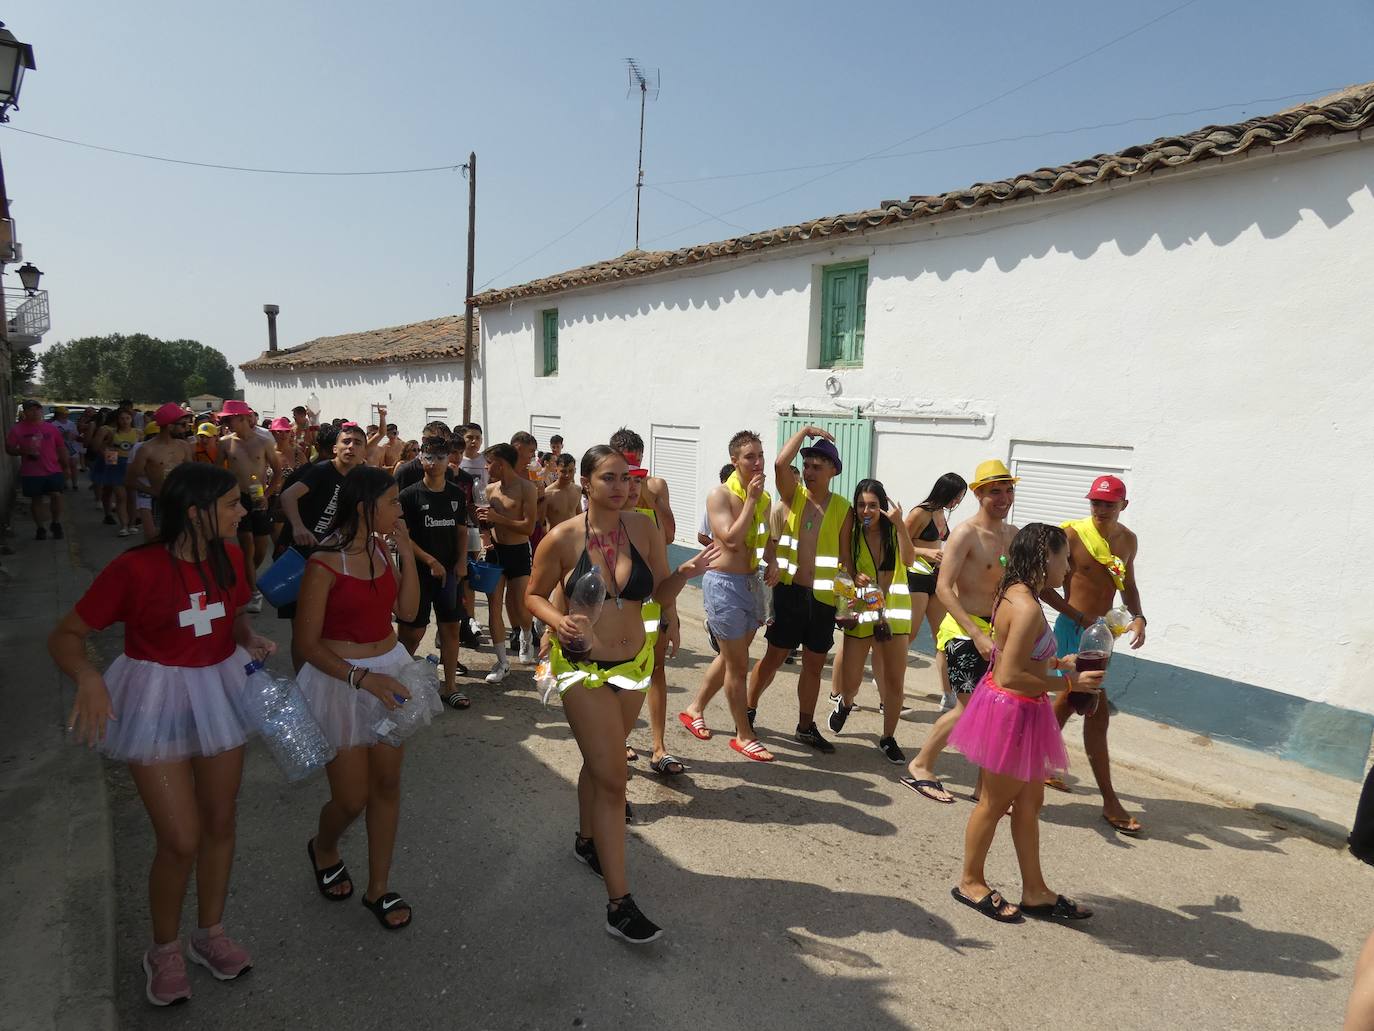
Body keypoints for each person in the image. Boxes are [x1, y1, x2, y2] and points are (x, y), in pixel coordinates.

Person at [48, 463, 275, 1005]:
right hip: (155, 697)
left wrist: (247, 638)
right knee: (180, 838)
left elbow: (230, 615)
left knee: (221, 820)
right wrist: (87, 677)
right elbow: (67, 635)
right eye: (230, 504)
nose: (242, 512)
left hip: (218, 689)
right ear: (196, 513)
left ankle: (210, 936)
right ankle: (164, 948)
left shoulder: (232, 555)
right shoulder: (137, 568)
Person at [525, 446, 714, 944]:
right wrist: (555, 619)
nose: (621, 486)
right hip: (581, 669)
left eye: (626, 477)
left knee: (599, 760)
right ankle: (619, 905)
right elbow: (533, 594)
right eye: (608, 477)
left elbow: (656, 594)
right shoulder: (562, 538)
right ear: (585, 482)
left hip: (635, 665)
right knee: (614, 777)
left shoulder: (644, 527)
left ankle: (586, 840)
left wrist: (688, 575)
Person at [295, 465, 439, 932]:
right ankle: (324, 846)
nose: (401, 509)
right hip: (342, 682)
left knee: (387, 786)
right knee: (351, 797)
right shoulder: (324, 563)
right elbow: (307, 645)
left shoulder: (381, 547)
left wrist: (407, 554)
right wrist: (361, 679)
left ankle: (379, 888)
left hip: (389, 672)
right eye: (394, 502)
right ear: (365, 507)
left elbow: (410, 612)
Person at [948, 522, 1098, 924]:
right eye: (1065, 558)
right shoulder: (1028, 606)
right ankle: (970, 881)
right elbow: (1010, 673)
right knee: (994, 803)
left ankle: (1035, 891)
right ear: (1046, 557)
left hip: (1024, 710)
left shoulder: (1015, 593)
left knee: (1030, 802)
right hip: (1012, 710)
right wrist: (1070, 680)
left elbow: (1017, 655)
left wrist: (1054, 662)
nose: (1069, 567)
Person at [900, 460, 1019, 804]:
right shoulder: (966, 533)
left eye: (1008, 489)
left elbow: (1012, 585)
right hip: (962, 631)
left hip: (995, 631)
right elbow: (944, 588)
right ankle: (920, 766)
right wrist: (976, 634)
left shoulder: (1012, 535)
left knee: (996, 712)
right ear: (979, 494)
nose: (1003, 497)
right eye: (995, 490)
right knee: (968, 708)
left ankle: (985, 788)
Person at [1040, 475, 1148, 834]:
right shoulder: (1070, 535)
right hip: (1074, 630)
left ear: (1123, 506)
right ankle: (1109, 801)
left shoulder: (1128, 540)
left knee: (1073, 701)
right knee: (1089, 706)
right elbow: (1042, 586)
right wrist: (1079, 617)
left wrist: (1139, 618)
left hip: (1103, 635)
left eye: (1109, 504)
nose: (1101, 510)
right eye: (1096, 503)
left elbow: (1128, 584)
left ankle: (1032, 764)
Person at [744, 427, 851, 754]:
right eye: (807, 465)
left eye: (818, 466)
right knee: (774, 657)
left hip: (821, 602)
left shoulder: (843, 508)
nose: (809, 471)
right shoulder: (793, 496)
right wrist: (804, 431)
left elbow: (845, 560)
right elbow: (778, 464)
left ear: (833, 471)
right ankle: (747, 711)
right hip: (789, 594)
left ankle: (805, 726)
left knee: (815, 666)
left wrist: (846, 606)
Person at [679, 431, 777, 761]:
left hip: (751, 584)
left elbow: (766, 538)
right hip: (723, 585)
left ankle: (694, 709)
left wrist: (773, 561)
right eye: (750, 456)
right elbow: (731, 540)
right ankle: (743, 735)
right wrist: (750, 500)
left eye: (760, 455)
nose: (758, 462)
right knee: (737, 665)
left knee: (728, 658)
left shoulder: (764, 498)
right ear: (735, 460)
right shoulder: (720, 496)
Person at [830, 478, 918, 762]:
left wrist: (901, 524)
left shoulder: (894, 532)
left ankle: (888, 737)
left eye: (872, 505)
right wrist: (854, 577)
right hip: (862, 613)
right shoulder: (852, 531)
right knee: (851, 680)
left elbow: (909, 560)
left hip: (893, 617)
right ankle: (845, 703)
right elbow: (843, 565)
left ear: (883, 507)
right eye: (861, 505)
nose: (866, 511)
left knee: (894, 682)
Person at [277, 424, 367, 668]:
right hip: (297, 554)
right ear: (335, 448)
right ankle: (302, 683)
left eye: (357, 443)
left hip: (328, 558)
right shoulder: (320, 472)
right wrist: (297, 526)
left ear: (364, 451)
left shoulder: (361, 478)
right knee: (301, 624)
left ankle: (323, 674)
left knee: (326, 620)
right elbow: (287, 496)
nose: (351, 446)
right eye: (346, 441)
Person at [397, 439, 471, 709]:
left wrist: (462, 561)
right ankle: (396, 683)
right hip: (417, 575)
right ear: (421, 460)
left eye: (441, 457)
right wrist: (429, 560)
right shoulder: (409, 495)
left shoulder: (455, 494)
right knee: (412, 632)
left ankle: (450, 686)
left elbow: (462, 530)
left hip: (450, 574)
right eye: (430, 457)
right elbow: (402, 536)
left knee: (451, 628)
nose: (436, 462)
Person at [904, 473, 968, 711]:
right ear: (946, 492)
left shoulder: (941, 512)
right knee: (907, 637)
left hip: (935, 579)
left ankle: (948, 694)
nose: (958, 502)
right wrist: (927, 552)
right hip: (915, 577)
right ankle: (890, 687)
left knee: (943, 638)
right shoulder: (920, 512)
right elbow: (900, 542)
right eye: (957, 496)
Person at [478, 442, 538, 680]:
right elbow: (487, 522)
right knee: (494, 606)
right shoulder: (490, 489)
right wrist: (485, 526)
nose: (486, 467)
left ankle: (526, 633)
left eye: (489, 462)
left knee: (520, 606)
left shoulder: (527, 489)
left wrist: (497, 518)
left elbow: (528, 527)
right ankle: (502, 662)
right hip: (495, 552)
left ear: (501, 465)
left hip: (518, 551)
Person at [217, 400, 282, 612]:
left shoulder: (264, 441)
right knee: (246, 545)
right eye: (224, 420)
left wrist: (268, 495)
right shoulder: (225, 443)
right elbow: (218, 473)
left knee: (261, 547)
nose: (226, 423)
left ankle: (245, 577)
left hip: (260, 498)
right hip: (238, 499)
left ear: (243, 418)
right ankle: (253, 591)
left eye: (229, 419)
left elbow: (278, 473)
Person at [6, 399, 72, 540]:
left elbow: (61, 448)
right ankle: (40, 528)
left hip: (53, 469)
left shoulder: (51, 428)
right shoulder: (17, 429)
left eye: (38, 409)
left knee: (56, 495)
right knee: (37, 500)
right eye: (31, 409)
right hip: (32, 472)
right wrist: (22, 451)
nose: (35, 412)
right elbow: (9, 449)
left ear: (41, 411)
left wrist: (66, 466)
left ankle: (56, 523)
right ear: (25, 412)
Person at [127, 404, 195, 538]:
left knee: (183, 539)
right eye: (182, 424)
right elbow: (129, 480)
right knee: (156, 540)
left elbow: (191, 472)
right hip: (159, 502)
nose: (186, 428)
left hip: (182, 500)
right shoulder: (147, 449)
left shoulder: (183, 446)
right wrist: (153, 491)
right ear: (169, 426)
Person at [542, 454, 582, 530]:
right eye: (563, 471)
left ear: (575, 470)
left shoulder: (577, 490)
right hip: (554, 539)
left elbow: (579, 515)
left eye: (571, 471)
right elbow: (540, 522)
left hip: (573, 537)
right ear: (556, 470)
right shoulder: (547, 494)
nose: (567, 475)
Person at [50, 405, 81, 490]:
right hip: (60, 448)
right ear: (58, 414)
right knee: (63, 466)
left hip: (72, 448)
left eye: (66, 414)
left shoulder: (71, 423)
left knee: (73, 466)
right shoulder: (53, 424)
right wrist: (62, 435)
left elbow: (77, 435)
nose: (66, 415)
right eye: (64, 413)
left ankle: (75, 484)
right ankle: (64, 483)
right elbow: (51, 438)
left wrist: (73, 436)